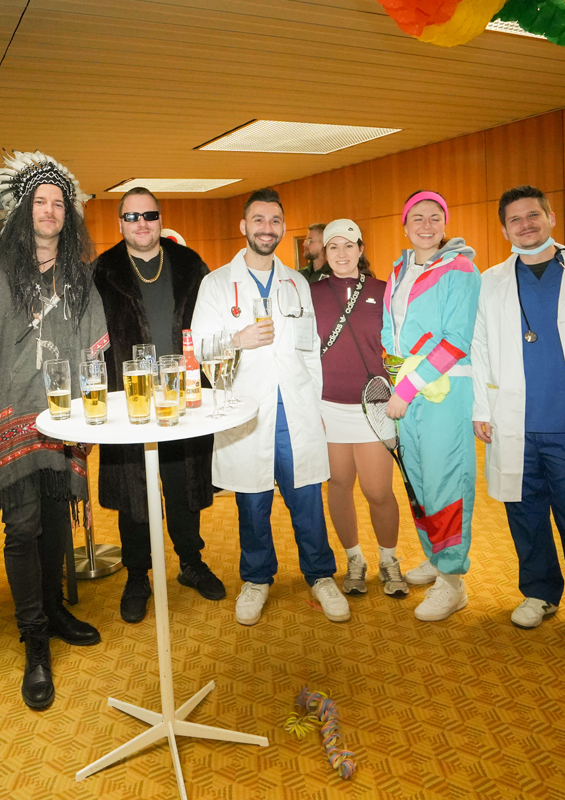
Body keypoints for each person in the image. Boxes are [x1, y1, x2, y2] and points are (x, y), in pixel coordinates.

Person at [0, 150, 109, 709]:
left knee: (54, 519)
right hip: (4, 419)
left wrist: (90, 415)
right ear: (21, 209)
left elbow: (94, 355)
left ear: (69, 215)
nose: (49, 211)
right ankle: (35, 638)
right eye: (39, 202)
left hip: (61, 419)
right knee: (22, 528)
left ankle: (55, 609)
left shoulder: (78, 276)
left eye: (59, 204)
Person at [470, 185, 565, 647]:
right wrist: (480, 407)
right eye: (515, 219)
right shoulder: (491, 280)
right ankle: (539, 592)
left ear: (551, 218)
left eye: (533, 215)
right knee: (525, 513)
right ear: (504, 229)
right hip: (514, 418)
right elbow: (478, 346)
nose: (526, 225)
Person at [192, 188, 349, 626]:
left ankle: (320, 575)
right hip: (247, 412)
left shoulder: (296, 282)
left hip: (295, 411)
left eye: (275, 220)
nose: (267, 228)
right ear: (244, 226)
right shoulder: (216, 284)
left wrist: (315, 408)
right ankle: (257, 579)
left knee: (308, 500)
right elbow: (199, 349)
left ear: (282, 228)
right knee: (252, 503)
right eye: (259, 220)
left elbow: (311, 351)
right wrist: (237, 340)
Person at [93, 187, 224, 623]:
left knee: (184, 487)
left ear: (160, 219)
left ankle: (191, 562)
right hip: (128, 403)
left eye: (149, 215)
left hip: (183, 399)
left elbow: (212, 327)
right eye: (132, 216)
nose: (142, 223)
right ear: (120, 223)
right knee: (135, 495)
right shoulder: (103, 271)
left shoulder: (190, 265)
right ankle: (137, 575)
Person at [382, 190, 480, 622]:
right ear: (405, 226)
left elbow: (456, 340)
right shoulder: (399, 269)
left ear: (445, 224)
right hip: (406, 392)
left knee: (446, 484)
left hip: (444, 391)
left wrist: (405, 389)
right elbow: (389, 331)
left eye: (434, 217)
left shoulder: (461, 270)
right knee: (419, 482)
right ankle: (436, 557)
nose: (426, 225)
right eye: (417, 218)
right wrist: (395, 377)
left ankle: (453, 581)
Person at [309, 219, 404, 597]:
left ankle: (389, 560)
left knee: (378, 491)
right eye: (333, 247)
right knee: (339, 485)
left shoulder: (384, 291)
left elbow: (398, 347)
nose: (342, 253)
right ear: (324, 253)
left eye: (349, 246)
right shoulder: (311, 293)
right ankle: (354, 559)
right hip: (328, 406)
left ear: (361, 249)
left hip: (374, 407)